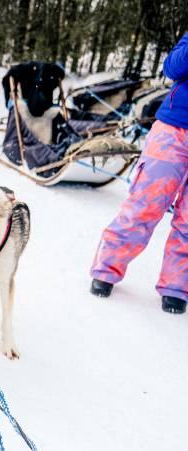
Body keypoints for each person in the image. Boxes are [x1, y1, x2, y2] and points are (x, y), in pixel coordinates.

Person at [90, 33, 188, 314]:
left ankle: (176, 287)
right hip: (174, 130)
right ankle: (106, 269)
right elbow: (173, 68)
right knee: (144, 204)